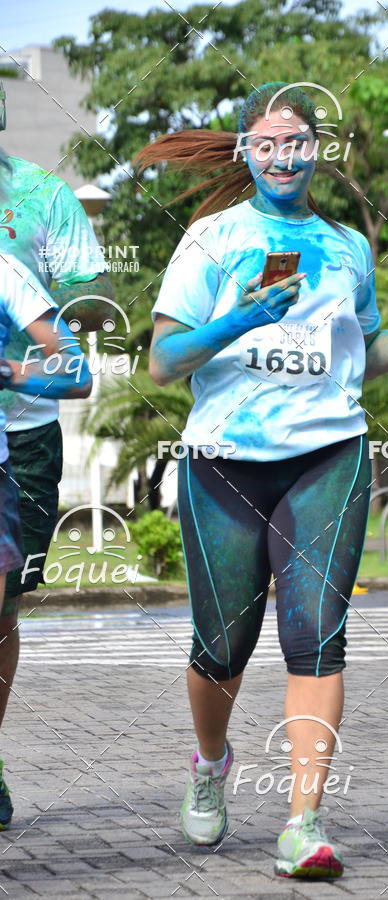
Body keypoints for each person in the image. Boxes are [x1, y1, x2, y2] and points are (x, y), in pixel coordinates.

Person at [141, 82, 388, 878]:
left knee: (316, 632)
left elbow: (359, 355)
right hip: (226, 459)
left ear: (317, 150)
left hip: (329, 453)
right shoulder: (213, 241)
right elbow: (164, 360)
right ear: (248, 152)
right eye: (267, 145)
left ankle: (304, 822)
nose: (283, 157)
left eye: (297, 143)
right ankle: (211, 767)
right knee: (222, 643)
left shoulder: (350, 248)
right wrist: (243, 318)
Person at [0, 82, 114, 830]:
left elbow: (92, 303)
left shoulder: (41, 194)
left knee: (3, 607)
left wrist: (46, 322)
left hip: (24, 430)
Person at [0, 252, 92, 826]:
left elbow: (78, 373)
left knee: (2, 614)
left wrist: (9, 371)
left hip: (21, 452)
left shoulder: (5, 270)